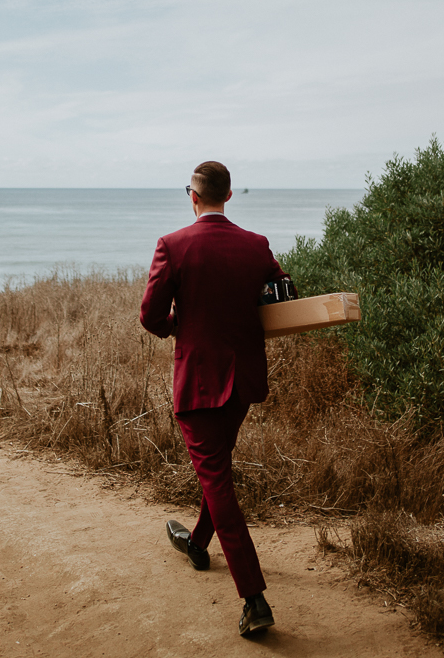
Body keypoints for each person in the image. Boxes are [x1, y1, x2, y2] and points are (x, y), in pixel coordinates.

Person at [139, 160, 290, 637]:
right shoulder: (256, 245)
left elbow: (149, 315)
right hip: (242, 380)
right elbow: (283, 294)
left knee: (219, 484)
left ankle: (254, 598)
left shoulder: (173, 245)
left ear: (193, 196)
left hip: (199, 383)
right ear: (228, 195)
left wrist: (175, 327)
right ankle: (198, 545)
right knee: (218, 469)